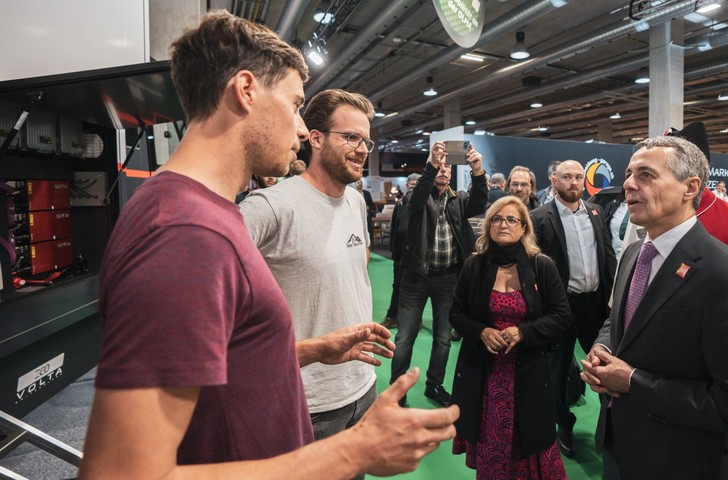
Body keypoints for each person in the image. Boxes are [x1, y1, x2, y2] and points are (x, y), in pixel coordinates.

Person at [79, 11, 458, 479]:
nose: (302, 129)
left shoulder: (196, 213)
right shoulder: (185, 235)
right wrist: (352, 452)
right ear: (245, 91)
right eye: (295, 104)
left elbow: (224, 355)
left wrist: (314, 348)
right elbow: (120, 474)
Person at [581, 136, 728, 480]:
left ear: (690, 187)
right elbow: (623, 321)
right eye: (629, 174)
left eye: (646, 175)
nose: (628, 183)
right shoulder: (635, 253)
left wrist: (632, 381)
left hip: (683, 461)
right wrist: (604, 346)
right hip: (620, 445)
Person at [240, 89, 380, 452]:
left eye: (366, 140)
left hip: (362, 387)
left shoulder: (354, 201)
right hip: (307, 402)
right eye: (351, 137)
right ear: (315, 139)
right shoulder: (270, 206)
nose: (362, 148)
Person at [450, 195, 572, 479]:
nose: (503, 224)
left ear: (524, 228)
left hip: (527, 374)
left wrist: (524, 332)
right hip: (485, 377)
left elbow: (562, 316)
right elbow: (456, 313)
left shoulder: (541, 265)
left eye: (511, 220)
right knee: (493, 446)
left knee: (529, 444)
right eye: (496, 218)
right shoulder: (474, 265)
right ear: (488, 225)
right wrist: (481, 332)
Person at [391, 140, 488, 407]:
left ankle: (434, 385)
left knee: (444, 338)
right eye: (439, 167)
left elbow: (480, 202)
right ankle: (397, 391)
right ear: (431, 169)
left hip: (449, 279)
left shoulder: (459, 199)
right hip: (416, 278)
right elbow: (419, 196)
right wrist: (432, 165)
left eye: (447, 167)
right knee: (404, 338)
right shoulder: (415, 197)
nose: (444, 170)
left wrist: (477, 170)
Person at [530, 159, 616, 457]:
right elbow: (534, 269)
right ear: (554, 180)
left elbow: (606, 256)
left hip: (595, 305)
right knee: (557, 371)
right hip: (561, 308)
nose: (574, 182)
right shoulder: (539, 217)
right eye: (567, 177)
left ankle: (612, 425)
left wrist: (613, 296)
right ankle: (563, 425)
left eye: (579, 177)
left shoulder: (596, 212)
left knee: (605, 365)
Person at [382, 172, 421, 328]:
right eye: (410, 185)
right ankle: (392, 316)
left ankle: (414, 320)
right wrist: (393, 251)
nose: (412, 188)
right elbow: (394, 228)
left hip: (417, 255)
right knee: (397, 285)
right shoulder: (400, 203)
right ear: (406, 186)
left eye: (415, 185)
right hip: (400, 255)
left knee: (416, 289)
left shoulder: (424, 202)